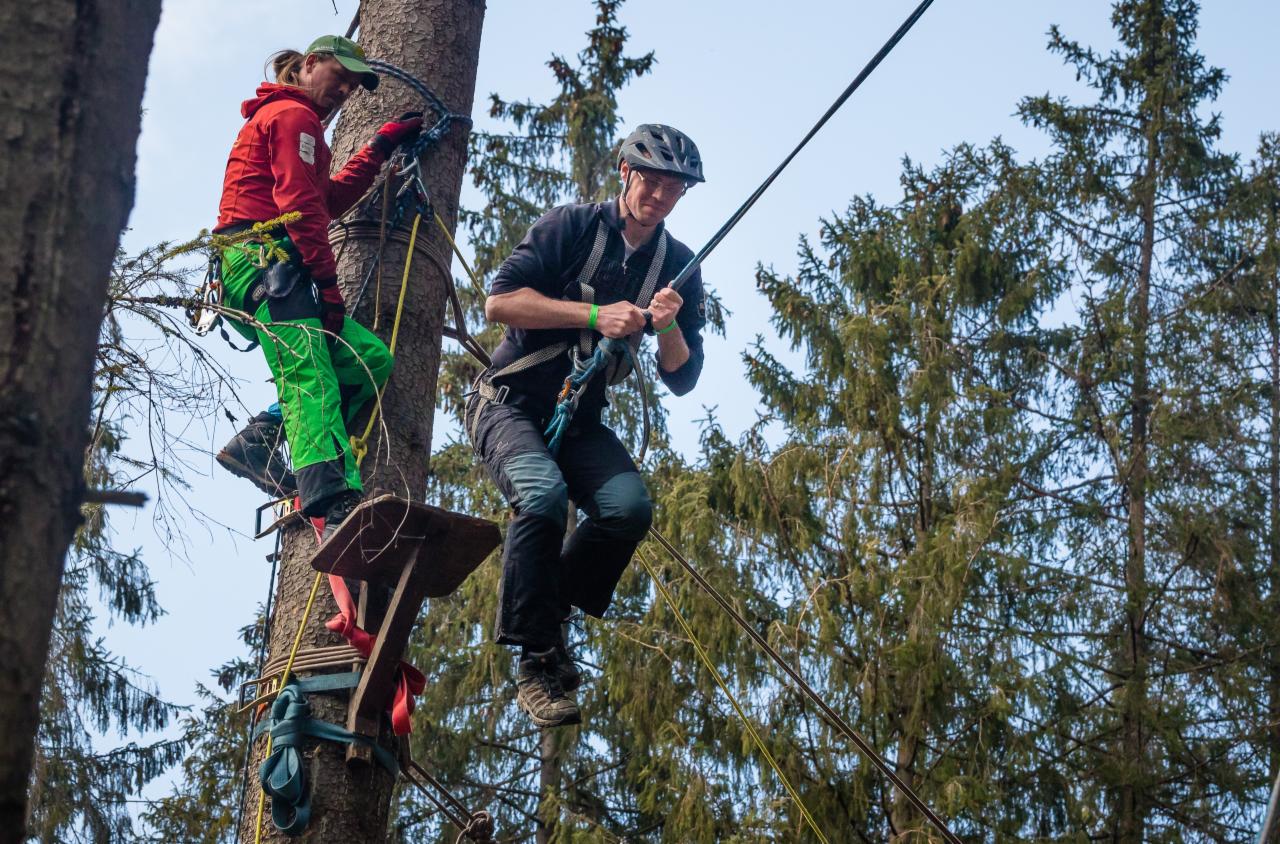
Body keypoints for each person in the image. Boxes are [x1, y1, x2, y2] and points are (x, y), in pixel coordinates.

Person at [466, 124, 708, 727]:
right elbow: (499, 302)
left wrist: (669, 325)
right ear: (625, 175)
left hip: (579, 420)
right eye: (650, 180)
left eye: (671, 188)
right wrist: (595, 315)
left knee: (628, 507)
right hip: (509, 403)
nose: (658, 195)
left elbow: (682, 376)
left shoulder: (676, 267)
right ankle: (534, 654)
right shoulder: (571, 226)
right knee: (542, 497)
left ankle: (553, 612)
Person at [211, 35, 422, 538]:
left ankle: (262, 438)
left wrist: (379, 147)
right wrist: (328, 286)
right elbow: (302, 213)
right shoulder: (292, 116)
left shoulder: (302, 129)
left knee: (369, 360)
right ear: (310, 64)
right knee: (312, 376)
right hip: (263, 263)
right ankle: (331, 495)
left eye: (353, 85)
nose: (345, 90)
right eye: (340, 76)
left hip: (278, 263)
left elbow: (324, 200)